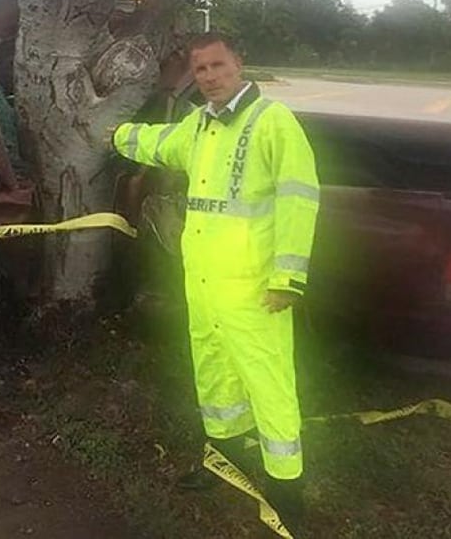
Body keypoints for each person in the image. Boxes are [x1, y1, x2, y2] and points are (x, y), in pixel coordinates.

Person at [111, 31, 319, 527]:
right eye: (200, 70)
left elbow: (300, 198)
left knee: (268, 383)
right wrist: (110, 133)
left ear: (238, 64)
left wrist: (287, 278)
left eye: (217, 66)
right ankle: (224, 457)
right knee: (213, 370)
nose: (209, 78)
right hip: (203, 284)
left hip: (254, 290)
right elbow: (157, 143)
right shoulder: (198, 127)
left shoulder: (274, 122)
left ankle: (287, 491)